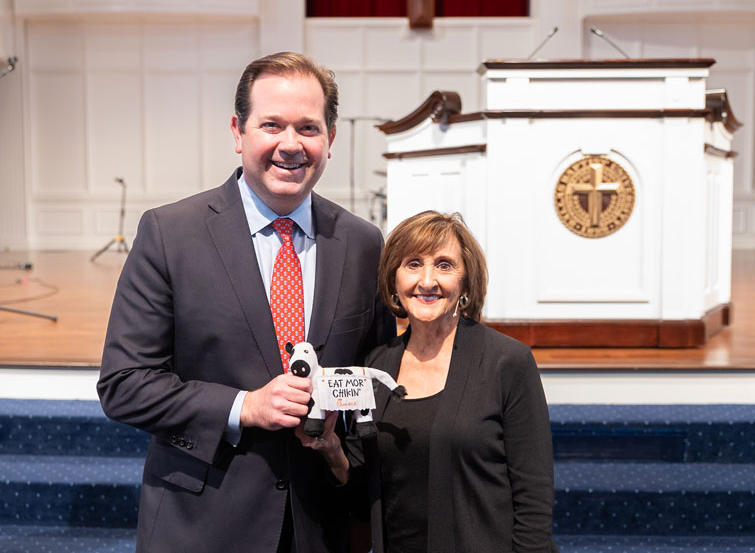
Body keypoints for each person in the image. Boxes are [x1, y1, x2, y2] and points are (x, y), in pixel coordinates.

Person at [97, 52, 395, 553]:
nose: (291, 145)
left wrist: (345, 460)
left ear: (332, 138)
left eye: (308, 127)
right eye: (271, 125)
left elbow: (376, 379)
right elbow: (125, 385)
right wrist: (246, 406)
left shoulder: (364, 244)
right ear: (238, 132)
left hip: (320, 523)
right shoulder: (171, 234)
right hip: (202, 521)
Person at [320, 211, 558, 553]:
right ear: (393, 279)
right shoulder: (375, 365)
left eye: (444, 265)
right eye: (413, 264)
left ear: (465, 281)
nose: (427, 281)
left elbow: (533, 499)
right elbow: (363, 496)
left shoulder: (507, 362)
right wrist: (330, 447)